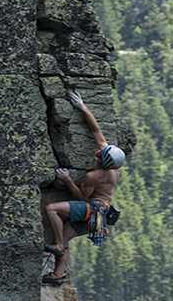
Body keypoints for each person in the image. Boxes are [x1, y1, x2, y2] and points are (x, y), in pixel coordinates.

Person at [43, 90, 126, 286]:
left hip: (90, 210)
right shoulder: (112, 168)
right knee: (65, 238)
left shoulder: (95, 176)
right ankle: (57, 275)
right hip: (100, 217)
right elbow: (96, 131)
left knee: (52, 209)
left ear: (104, 160)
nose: (98, 151)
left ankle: (57, 244)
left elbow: (81, 197)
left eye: (100, 154)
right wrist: (82, 107)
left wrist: (66, 179)